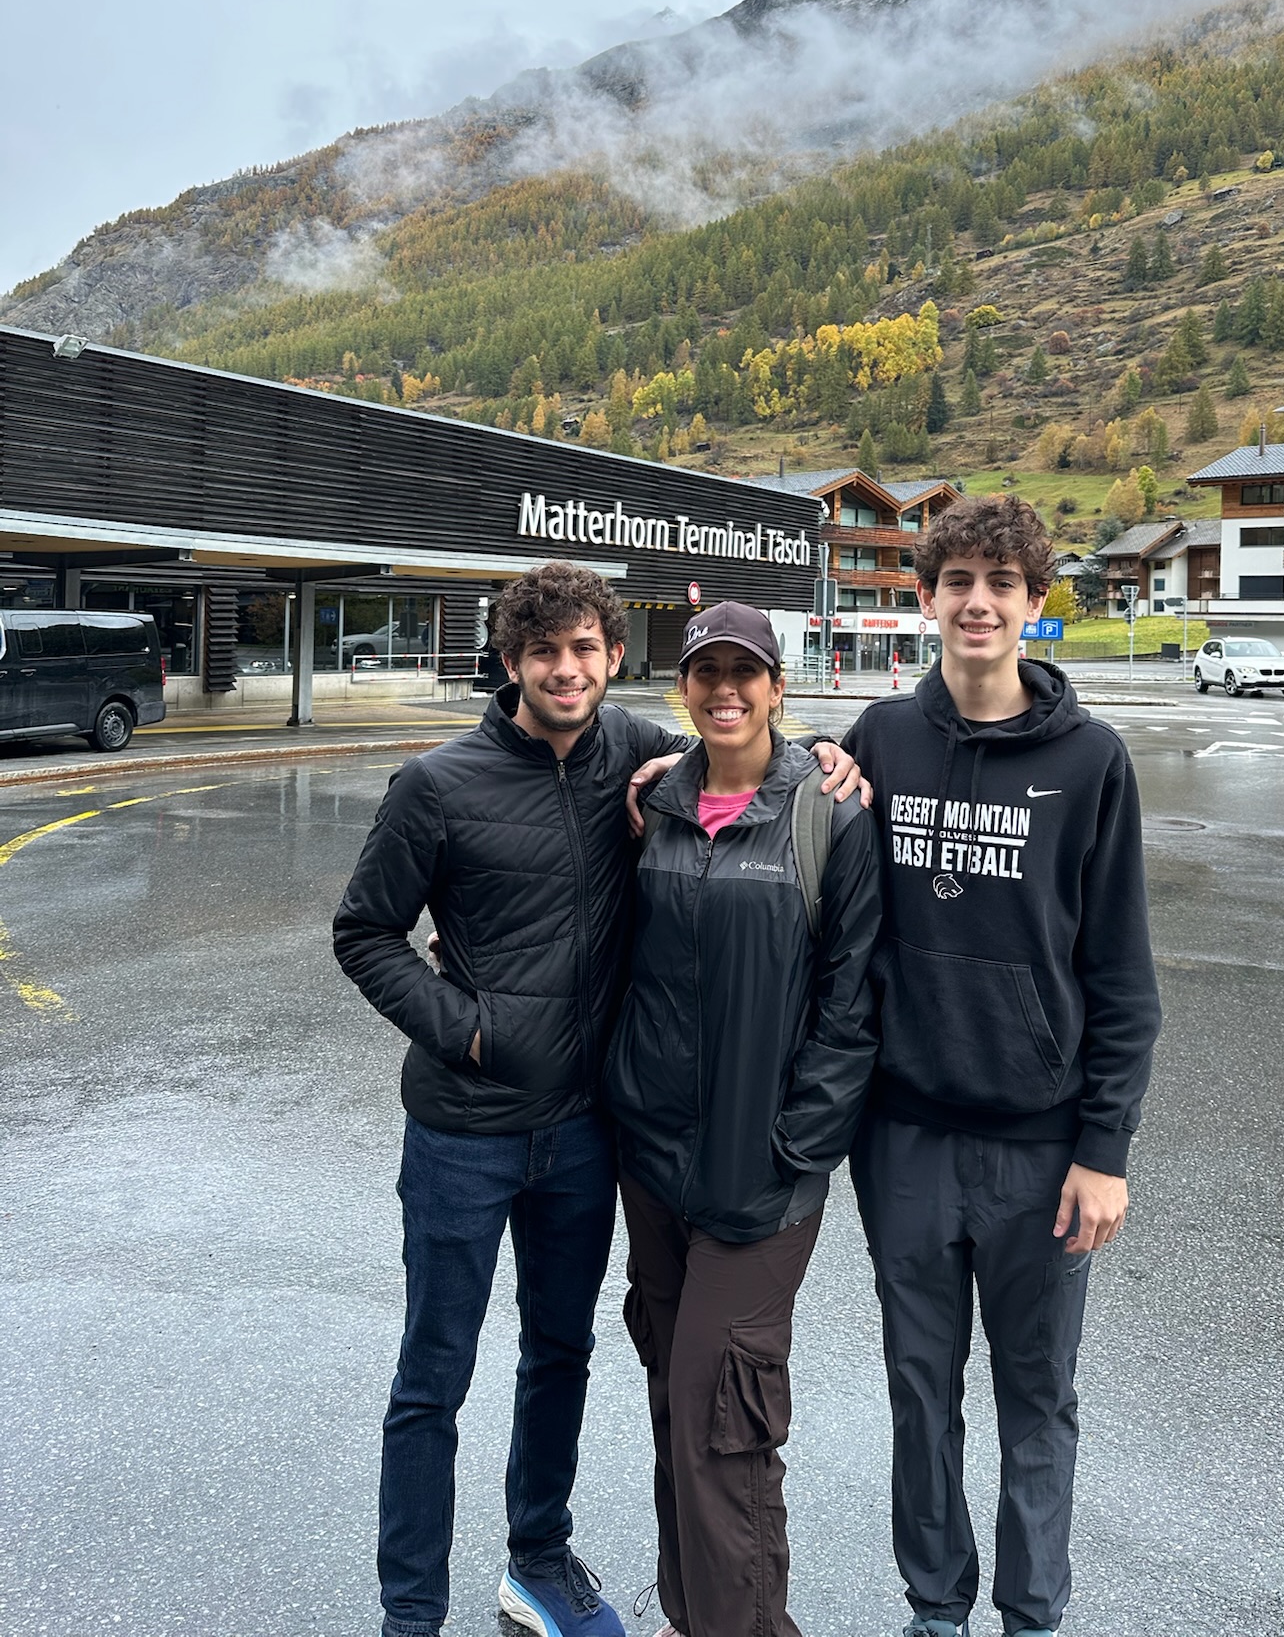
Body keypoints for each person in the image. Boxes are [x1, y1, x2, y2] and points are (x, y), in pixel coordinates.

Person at [332, 563, 862, 1637]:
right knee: (433, 1376)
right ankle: (410, 1611)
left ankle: (537, 1559)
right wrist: (466, 1027)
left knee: (559, 1351)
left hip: (583, 1131)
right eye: (544, 652)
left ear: (615, 654)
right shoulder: (435, 783)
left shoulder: (636, 752)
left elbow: (742, 749)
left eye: (584, 648)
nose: (565, 669)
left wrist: (826, 753)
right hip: (463, 1130)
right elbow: (364, 932)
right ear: (511, 661)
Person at [840, 497, 1161, 1637]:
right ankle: (937, 1609)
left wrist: (1103, 1152)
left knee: (1038, 1399)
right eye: (958, 578)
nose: (979, 600)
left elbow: (1122, 974)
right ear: (925, 595)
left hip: (1041, 1151)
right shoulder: (878, 739)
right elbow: (765, 801)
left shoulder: (1091, 760)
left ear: (1034, 602)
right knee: (920, 1395)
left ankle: (1033, 1615)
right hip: (906, 1138)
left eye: (1003, 581)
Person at [605, 601, 883, 1637]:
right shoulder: (655, 805)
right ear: (683, 687)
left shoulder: (829, 812)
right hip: (656, 1163)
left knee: (726, 1416)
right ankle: (691, 1614)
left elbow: (854, 1001)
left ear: (778, 686)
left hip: (762, 1173)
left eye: (746, 671)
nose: (726, 688)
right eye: (706, 671)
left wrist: (799, 1145)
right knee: (676, 1404)